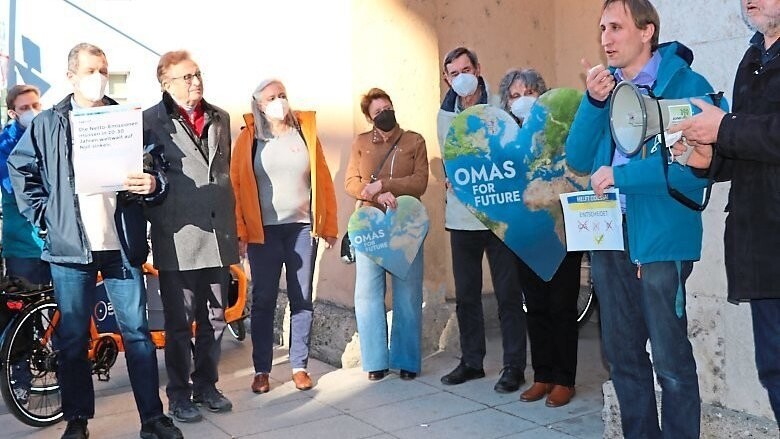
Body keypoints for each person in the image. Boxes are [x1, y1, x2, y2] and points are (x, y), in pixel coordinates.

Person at [7, 43, 182, 439]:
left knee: (136, 333)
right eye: (90, 70)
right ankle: (77, 421)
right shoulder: (48, 123)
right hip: (70, 249)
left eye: (103, 69)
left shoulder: (126, 120)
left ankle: (153, 419)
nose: (98, 76)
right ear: (71, 76)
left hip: (121, 245)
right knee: (71, 338)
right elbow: (21, 170)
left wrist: (153, 183)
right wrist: (44, 217)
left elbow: (157, 168)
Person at [565, 1, 718, 437]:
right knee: (623, 358)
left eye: (616, 27)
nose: (606, 39)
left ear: (647, 31)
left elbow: (693, 171)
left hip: (661, 241)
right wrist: (593, 104)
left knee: (670, 362)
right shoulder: (606, 90)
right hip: (610, 236)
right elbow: (577, 158)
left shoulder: (686, 85)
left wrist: (622, 176)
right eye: (602, 29)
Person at [668, 0, 780, 427]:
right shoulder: (751, 57)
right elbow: (748, 152)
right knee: (773, 369)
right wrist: (706, 157)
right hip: (760, 243)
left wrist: (725, 128)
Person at [143, 50, 238, 423]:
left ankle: (207, 385)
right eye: (186, 77)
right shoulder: (150, 122)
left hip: (218, 235)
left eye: (198, 74)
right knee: (179, 324)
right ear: (166, 84)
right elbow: (143, 179)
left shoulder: (220, 117)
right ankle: (179, 394)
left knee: (215, 316)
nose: (196, 81)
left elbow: (223, 174)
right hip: (177, 237)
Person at [231, 79, 338, 394]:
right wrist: (240, 233)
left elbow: (323, 180)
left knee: (301, 297)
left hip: (301, 228)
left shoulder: (304, 133)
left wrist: (328, 225)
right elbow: (236, 188)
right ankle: (262, 370)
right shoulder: (249, 139)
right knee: (263, 300)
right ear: (260, 105)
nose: (279, 101)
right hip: (262, 233)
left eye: (282, 95)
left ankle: (299, 366)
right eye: (271, 97)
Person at [437, 47, 527, 394]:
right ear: (447, 78)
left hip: (500, 215)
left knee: (507, 294)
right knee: (467, 296)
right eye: (453, 73)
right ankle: (472, 361)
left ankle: (514, 366)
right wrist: (451, 176)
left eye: (465, 69)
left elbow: (515, 154)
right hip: (461, 219)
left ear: (478, 69)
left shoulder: (503, 107)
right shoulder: (443, 116)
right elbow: (451, 160)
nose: (461, 77)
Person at [497, 69, 583, 407]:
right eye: (515, 95)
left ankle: (565, 379)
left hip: (561, 228)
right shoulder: (505, 140)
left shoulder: (559, 130)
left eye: (529, 92)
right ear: (506, 103)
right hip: (525, 233)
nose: (522, 100)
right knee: (534, 306)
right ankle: (542, 375)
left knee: (562, 305)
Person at [345, 88, 428, 381]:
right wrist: (375, 195)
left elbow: (420, 182)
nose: (385, 114)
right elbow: (351, 181)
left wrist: (384, 185)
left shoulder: (414, 140)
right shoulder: (361, 143)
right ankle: (376, 361)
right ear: (369, 117)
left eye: (388, 107)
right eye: (378, 111)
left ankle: (406, 360)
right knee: (368, 292)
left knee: (408, 292)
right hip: (370, 224)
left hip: (406, 224)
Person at [0, 84, 49, 407]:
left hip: (54, 241)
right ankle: (19, 381)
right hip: (22, 245)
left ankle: (67, 370)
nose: (32, 110)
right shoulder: (4, 146)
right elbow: (14, 188)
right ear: (12, 112)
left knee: (62, 315)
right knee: (24, 319)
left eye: (36, 104)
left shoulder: (48, 134)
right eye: (25, 106)